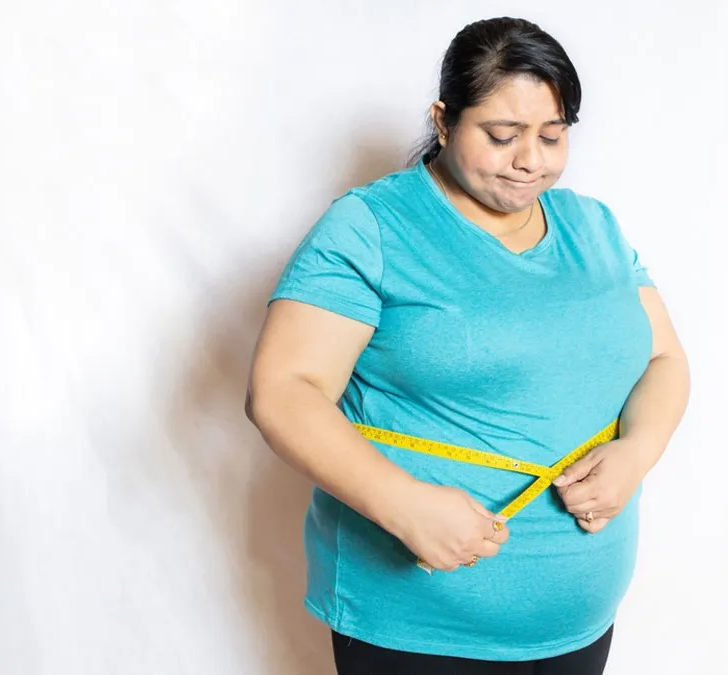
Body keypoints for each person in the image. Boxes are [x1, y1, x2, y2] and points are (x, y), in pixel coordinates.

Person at [245, 16, 691, 675]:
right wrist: (403, 505)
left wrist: (637, 452)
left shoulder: (593, 226)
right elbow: (283, 390)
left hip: (579, 623)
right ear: (444, 121)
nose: (530, 159)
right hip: (419, 627)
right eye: (502, 135)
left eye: (552, 135)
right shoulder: (370, 227)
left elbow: (663, 359)